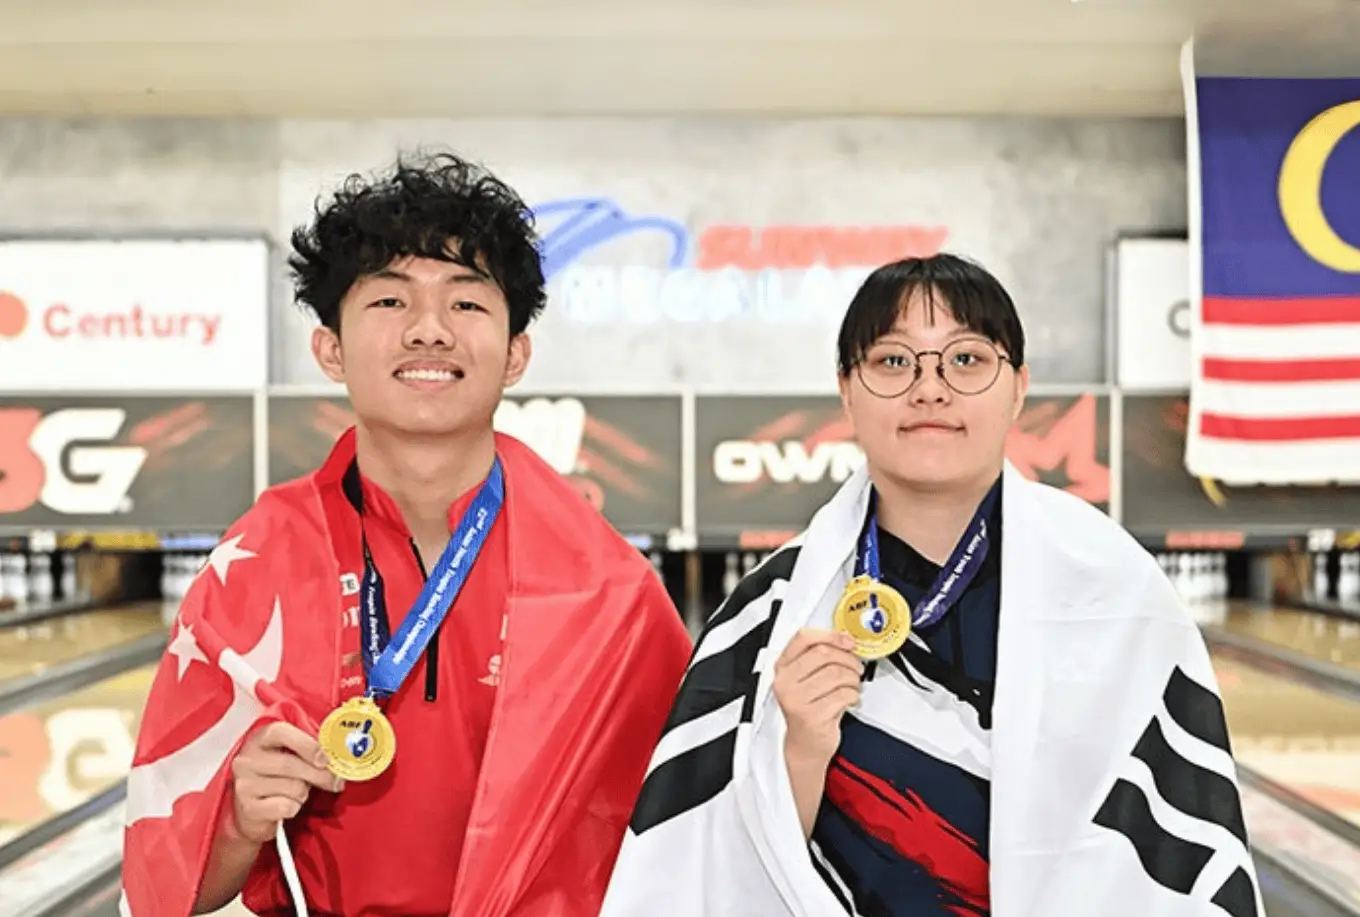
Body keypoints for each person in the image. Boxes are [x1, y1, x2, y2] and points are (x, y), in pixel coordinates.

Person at [601, 254, 1262, 917]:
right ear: (846, 390)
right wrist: (797, 748)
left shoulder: (1118, 593)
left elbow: (1179, 866)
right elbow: (699, 875)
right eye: (894, 362)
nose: (930, 388)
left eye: (966, 360)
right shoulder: (767, 612)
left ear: (1019, 386)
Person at [120, 152, 693, 917]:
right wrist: (237, 819)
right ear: (330, 349)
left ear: (516, 353)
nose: (429, 330)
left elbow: (684, 840)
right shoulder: (256, 565)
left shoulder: (608, 587)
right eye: (389, 302)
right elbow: (168, 889)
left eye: (466, 303)